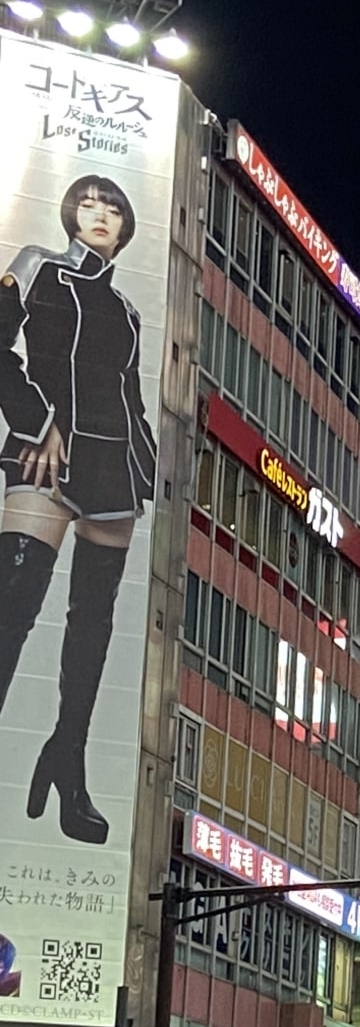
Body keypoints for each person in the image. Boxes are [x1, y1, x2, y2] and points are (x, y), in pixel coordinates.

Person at [0, 175, 155, 845]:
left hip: (115, 463)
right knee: (13, 607)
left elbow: (131, 394)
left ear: (126, 226)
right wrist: (35, 423)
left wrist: (146, 463)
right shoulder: (35, 266)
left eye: (114, 207)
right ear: (71, 213)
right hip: (46, 450)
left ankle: (70, 762)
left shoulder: (127, 309)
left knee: (93, 629)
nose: (101, 214)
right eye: (90, 203)